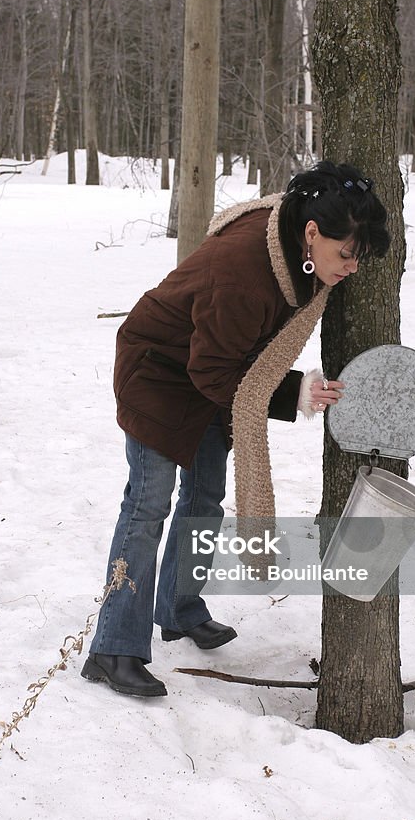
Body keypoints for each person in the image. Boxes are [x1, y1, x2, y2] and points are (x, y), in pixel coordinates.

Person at [81, 160, 391, 698]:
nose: (351, 269)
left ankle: (179, 609)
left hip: (210, 366)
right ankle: (113, 648)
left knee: (205, 496)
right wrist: (292, 391)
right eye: (346, 255)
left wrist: (286, 385)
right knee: (148, 503)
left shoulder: (296, 240)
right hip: (159, 369)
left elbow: (226, 360)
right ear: (313, 234)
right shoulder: (243, 270)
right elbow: (214, 370)